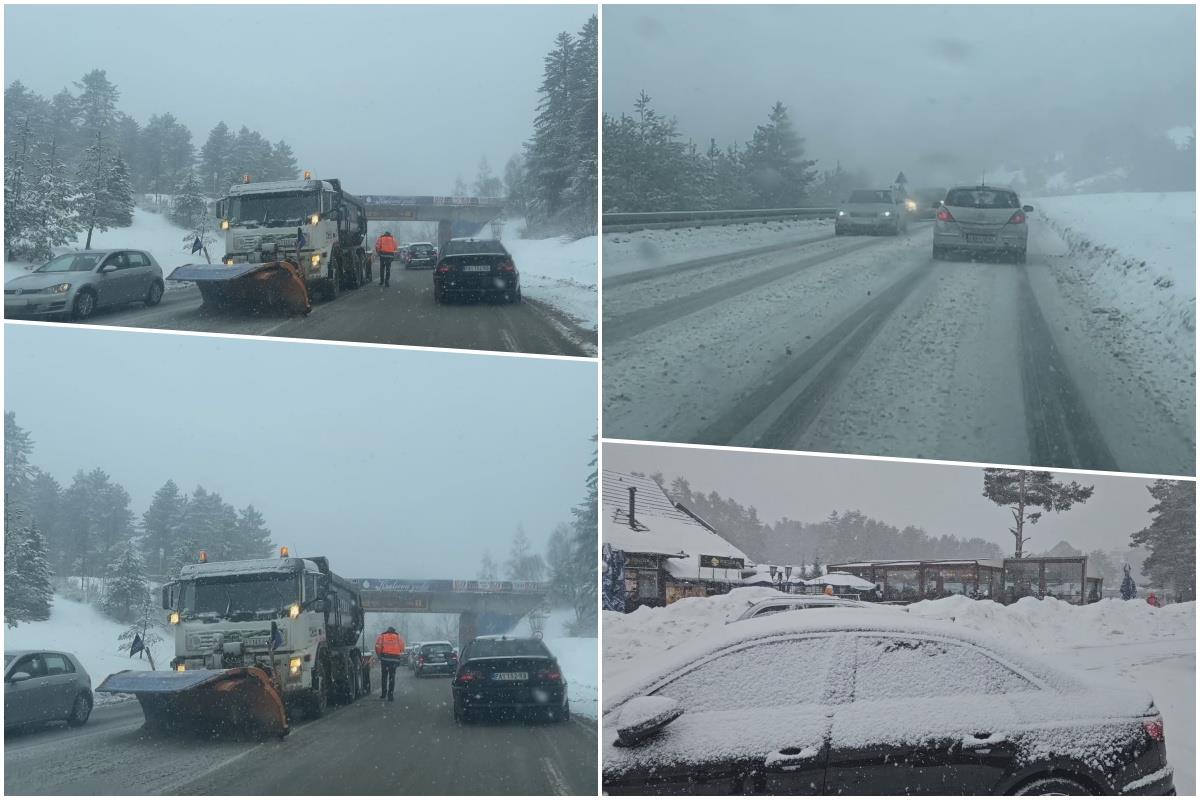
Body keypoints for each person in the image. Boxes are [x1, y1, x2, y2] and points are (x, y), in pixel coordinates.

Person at [374, 626, 405, 701]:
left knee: (384, 676)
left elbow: (377, 646)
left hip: (385, 659)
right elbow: (402, 647)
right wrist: (397, 653)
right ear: (394, 631)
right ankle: (390, 695)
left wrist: (379, 655)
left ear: (387, 630)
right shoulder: (398, 637)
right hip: (394, 660)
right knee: (392, 677)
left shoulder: (382, 636)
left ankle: (383, 694)